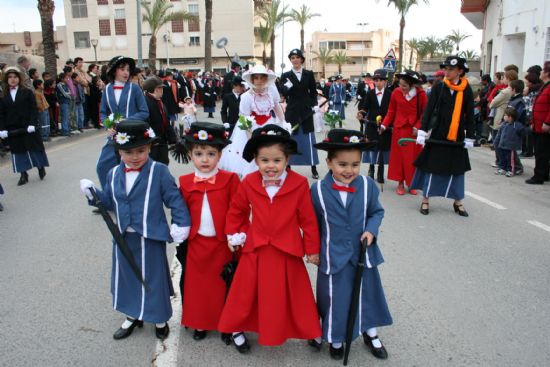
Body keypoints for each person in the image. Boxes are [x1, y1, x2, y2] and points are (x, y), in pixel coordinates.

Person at [79, 120, 191, 341]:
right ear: (119, 151)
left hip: (150, 236)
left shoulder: (159, 171)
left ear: (149, 148)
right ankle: (132, 315)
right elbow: (110, 202)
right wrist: (94, 194)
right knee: (128, 277)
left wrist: (181, 223)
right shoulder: (113, 174)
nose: (135, 156)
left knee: (153, 278)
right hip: (123, 237)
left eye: (141, 150)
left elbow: (174, 199)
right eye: (128, 151)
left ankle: (159, 318)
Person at [218, 124, 322, 350]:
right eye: (264, 160)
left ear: (287, 159)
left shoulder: (299, 183)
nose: (271, 166)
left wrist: (312, 249)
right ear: (255, 159)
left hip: (288, 249)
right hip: (256, 248)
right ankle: (236, 327)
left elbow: (308, 220)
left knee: (297, 295)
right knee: (245, 294)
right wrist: (234, 234)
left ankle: (310, 330)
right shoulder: (249, 182)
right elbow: (237, 211)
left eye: (277, 160)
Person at [310, 128, 392, 360]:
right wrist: (313, 251)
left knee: (366, 293)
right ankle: (336, 337)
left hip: (362, 253)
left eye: (355, 165)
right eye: (342, 164)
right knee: (334, 297)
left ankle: (370, 332)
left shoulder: (367, 186)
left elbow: (376, 212)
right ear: (329, 162)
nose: (349, 170)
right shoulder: (317, 191)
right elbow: (312, 224)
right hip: (332, 255)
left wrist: (371, 230)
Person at [178, 122, 242, 345]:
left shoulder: (231, 179)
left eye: (211, 154)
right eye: (198, 153)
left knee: (223, 286)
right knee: (198, 288)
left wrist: (236, 234)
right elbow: (181, 211)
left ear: (220, 154)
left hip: (223, 244)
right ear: (189, 154)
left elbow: (238, 209)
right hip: (197, 243)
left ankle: (226, 324)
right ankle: (200, 322)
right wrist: (179, 228)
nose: (205, 159)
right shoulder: (185, 182)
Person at [411, 56, 475, 216]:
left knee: (457, 169)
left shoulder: (467, 89)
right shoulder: (439, 87)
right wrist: (422, 131)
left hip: (457, 136)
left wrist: (470, 136)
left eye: (451, 69)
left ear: (460, 71)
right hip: (438, 134)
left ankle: (457, 201)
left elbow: (470, 115)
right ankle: (425, 199)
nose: (447, 72)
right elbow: (429, 110)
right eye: (445, 69)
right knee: (432, 167)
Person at [218, 64, 288, 178]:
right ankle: (253, 179)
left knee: (270, 150)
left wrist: (283, 122)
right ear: (252, 79)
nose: (259, 81)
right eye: (256, 78)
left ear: (266, 79)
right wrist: (251, 138)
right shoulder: (246, 96)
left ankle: (270, 175)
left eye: (262, 77)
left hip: (269, 124)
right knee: (255, 153)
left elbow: (276, 106)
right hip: (250, 128)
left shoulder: (272, 91)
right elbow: (244, 118)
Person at [97, 56, 149, 189]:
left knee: (136, 168)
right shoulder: (107, 89)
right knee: (102, 166)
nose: (126, 72)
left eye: (128, 69)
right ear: (114, 71)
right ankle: (109, 198)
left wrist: (126, 121)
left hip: (133, 135)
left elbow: (144, 112)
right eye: (122, 69)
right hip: (115, 135)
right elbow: (103, 112)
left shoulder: (135, 88)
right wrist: (108, 125)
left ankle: (139, 196)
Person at [379, 69, 427, 195]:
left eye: (404, 85)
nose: (402, 87)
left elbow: (425, 113)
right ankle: (400, 183)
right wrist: (384, 125)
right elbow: (391, 111)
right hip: (399, 130)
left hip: (413, 132)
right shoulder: (396, 92)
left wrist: (418, 126)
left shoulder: (421, 94)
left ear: (412, 85)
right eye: (400, 84)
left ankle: (412, 183)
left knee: (412, 159)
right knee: (398, 158)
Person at [0, 67, 49, 185]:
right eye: (10, 77)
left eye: (15, 77)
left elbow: (33, 109)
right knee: (18, 151)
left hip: (28, 127)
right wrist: (2, 129)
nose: (12, 80)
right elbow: (1, 114)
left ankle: (40, 167)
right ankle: (23, 174)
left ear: (19, 79)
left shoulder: (27, 92)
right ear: (6, 80)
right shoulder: (3, 96)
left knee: (34, 149)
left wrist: (32, 123)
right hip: (13, 129)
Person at [280, 48, 320, 179]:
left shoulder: (308, 74)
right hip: (292, 111)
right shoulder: (286, 75)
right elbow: (284, 93)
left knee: (308, 139)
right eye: (292, 58)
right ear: (290, 61)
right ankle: (288, 166)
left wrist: (314, 105)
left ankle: (313, 167)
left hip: (306, 110)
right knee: (290, 138)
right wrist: (287, 87)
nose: (295, 60)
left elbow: (313, 92)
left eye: (297, 57)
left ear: (301, 59)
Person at [358, 68, 392, 186]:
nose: (378, 82)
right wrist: (361, 113)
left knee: (382, 148)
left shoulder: (390, 94)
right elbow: (365, 107)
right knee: (372, 148)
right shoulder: (370, 93)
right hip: (372, 124)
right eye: (376, 80)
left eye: (381, 80)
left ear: (385, 81)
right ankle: (371, 168)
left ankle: (380, 173)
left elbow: (393, 110)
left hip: (386, 126)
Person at [142, 76, 177, 165]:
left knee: (163, 165)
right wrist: (152, 141)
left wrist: (173, 139)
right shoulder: (145, 102)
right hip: (152, 145)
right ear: (154, 89)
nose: (162, 90)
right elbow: (145, 124)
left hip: (162, 142)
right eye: (160, 88)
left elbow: (166, 122)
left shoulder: (160, 102)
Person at [525, 61, 550, 185]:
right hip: (538, 125)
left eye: (543, 71)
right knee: (541, 151)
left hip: (544, 126)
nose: (540, 72)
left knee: (541, 152)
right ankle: (543, 173)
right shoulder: (545, 86)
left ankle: (539, 176)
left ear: (547, 73)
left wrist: (547, 122)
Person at [493, 107, 526, 177]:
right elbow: (499, 134)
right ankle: (502, 168)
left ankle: (511, 170)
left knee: (510, 160)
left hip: (510, 147)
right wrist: (496, 142)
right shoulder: (503, 125)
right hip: (502, 145)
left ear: (510, 117)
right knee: (502, 158)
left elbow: (523, 133)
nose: (504, 116)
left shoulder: (517, 126)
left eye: (505, 115)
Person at [56, 72, 73, 137]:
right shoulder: (59, 85)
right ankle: (65, 131)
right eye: (66, 78)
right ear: (62, 79)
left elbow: (69, 92)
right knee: (64, 117)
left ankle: (68, 130)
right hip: (63, 102)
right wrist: (69, 96)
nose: (67, 79)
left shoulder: (66, 85)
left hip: (67, 101)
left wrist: (69, 95)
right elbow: (64, 93)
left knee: (67, 116)